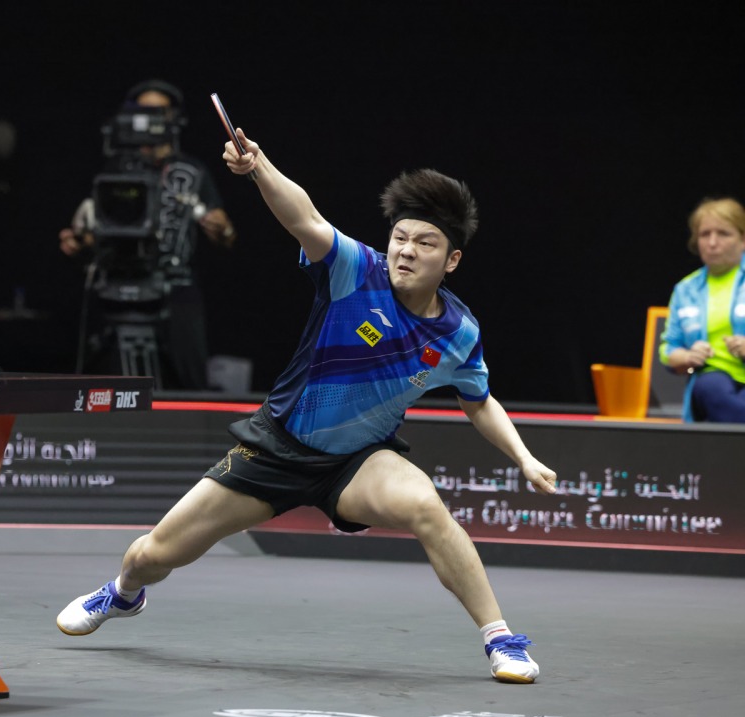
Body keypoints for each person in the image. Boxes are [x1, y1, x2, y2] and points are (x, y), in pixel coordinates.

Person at [56, 126, 558, 684]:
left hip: (358, 462)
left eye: (425, 243)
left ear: (453, 259)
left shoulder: (459, 333)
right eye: (400, 237)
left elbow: (479, 400)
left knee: (426, 506)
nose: (407, 251)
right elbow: (306, 218)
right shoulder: (356, 271)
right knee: (155, 553)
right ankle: (123, 596)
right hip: (277, 449)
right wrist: (259, 167)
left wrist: (522, 456)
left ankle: (501, 640)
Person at [58, 80, 237, 390]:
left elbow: (227, 236)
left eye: (158, 111)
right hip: (119, 290)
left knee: (187, 382)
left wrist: (223, 228)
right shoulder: (114, 169)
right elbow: (102, 231)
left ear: (173, 118)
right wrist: (79, 243)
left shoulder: (192, 171)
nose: (149, 119)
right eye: (141, 111)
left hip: (176, 291)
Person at [659, 197, 745, 423]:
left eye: (723, 234)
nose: (712, 242)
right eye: (705, 234)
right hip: (713, 382)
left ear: (743, 239)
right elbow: (668, 350)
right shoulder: (685, 289)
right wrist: (688, 356)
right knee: (710, 386)